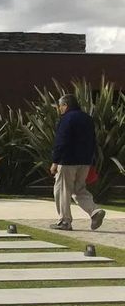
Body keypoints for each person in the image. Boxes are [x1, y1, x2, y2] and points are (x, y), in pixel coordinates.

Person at [49, 93, 105, 231]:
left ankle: (64, 221)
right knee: (78, 189)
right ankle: (95, 211)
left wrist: (55, 161)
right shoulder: (87, 118)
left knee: (62, 190)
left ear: (65, 105)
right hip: (85, 161)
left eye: (60, 106)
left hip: (67, 161)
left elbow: (62, 141)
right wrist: (91, 161)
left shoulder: (66, 119)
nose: (59, 109)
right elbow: (93, 140)